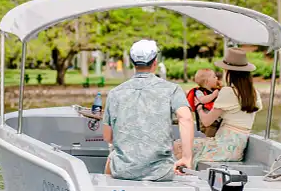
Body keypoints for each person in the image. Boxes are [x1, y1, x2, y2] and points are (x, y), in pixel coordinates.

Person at [102, 39, 195, 181]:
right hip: (161, 172)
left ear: (133, 63)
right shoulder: (172, 89)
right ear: (155, 62)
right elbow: (186, 118)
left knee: (111, 159)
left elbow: (108, 137)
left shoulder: (115, 93)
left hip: (123, 171)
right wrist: (187, 157)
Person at [192, 47, 262, 165]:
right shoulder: (254, 93)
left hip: (223, 146)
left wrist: (198, 106)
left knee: (180, 145)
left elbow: (206, 121)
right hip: (238, 148)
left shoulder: (228, 92)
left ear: (229, 73)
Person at [187, 69, 222, 137]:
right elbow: (203, 100)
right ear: (207, 81)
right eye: (214, 77)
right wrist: (213, 95)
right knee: (211, 136)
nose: (217, 78)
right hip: (208, 123)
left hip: (215, 120)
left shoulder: (213, 90)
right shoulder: (199, 91)